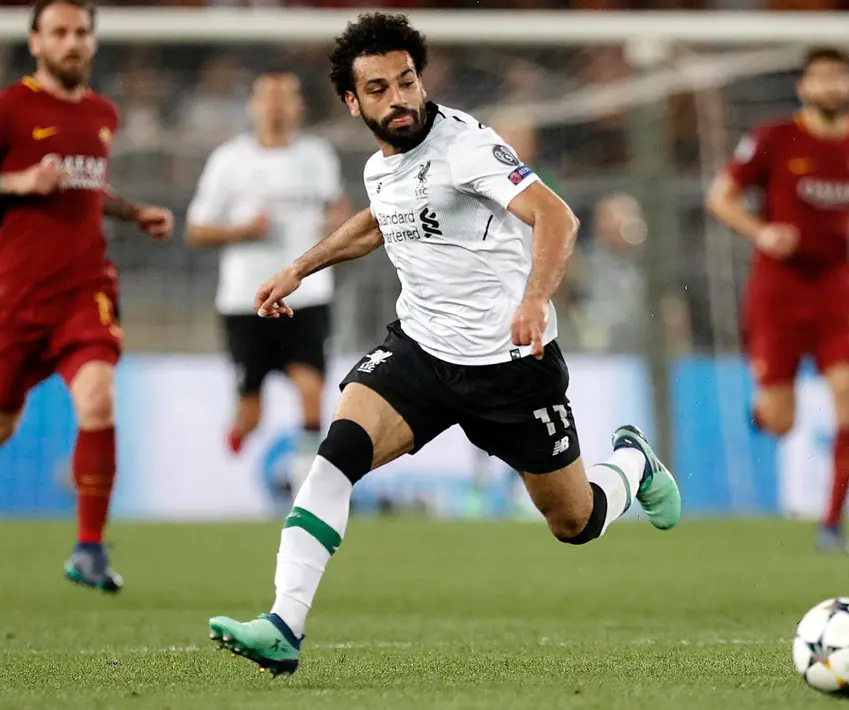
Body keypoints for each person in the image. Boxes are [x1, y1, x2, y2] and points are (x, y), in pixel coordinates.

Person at [206, 12, 681, 677]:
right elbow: (378, 220)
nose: (397, 99)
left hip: (513, 368)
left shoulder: (465, 147)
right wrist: (298, 268)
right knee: (335, 453)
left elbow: (554, 214)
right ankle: (284, 622)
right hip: (421, 355)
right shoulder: (383, 165)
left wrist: (535, 298)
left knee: (575, 521)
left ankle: (632, 466)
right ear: (352, 101)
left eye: (405, 82)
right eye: (378, 88)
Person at [0, 0, 174, 593]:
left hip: (85, 290)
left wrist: (133, 213)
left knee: (98, 401)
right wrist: (15, 182)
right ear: (35, 42)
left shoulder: (101, 114)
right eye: (58, 32)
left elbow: (85, 185)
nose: (72, 42)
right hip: (13, 301)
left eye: (81, 32)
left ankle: (89, 549)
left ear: (92, 41)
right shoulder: (5, 109)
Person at [705, 47, 849, 554]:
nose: (831, 88)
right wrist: (762, 232)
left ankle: (832, 525)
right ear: (804, 88)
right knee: (782, 422)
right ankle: (762, 410)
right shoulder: (774, 139)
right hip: (777, 293)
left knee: (848, 397)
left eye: (839, 78)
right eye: (820, 79)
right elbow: (720, 197)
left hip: (836, 292)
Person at [186, 69, 351, 497]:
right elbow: (196, 229)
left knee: (311, 391)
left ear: (298, 107)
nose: (276, 106)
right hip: (247, 298)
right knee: (251, 413)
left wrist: (336, 221)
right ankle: (239, 430)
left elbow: (338, 209)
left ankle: (303, 486)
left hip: (307, 293)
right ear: (253, 106)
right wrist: (242, 230)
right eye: (268, 98)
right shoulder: (229, 160)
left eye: (285, 98)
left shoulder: (317, 156)